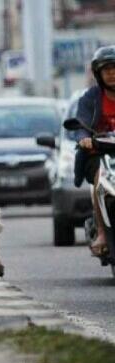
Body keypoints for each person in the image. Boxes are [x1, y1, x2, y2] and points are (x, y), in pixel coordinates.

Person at [74, 46, 115, 255]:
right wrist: (84, 139)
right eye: (106, 69)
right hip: (99, 155)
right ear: (98, 74)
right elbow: (81, 124)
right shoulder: (90, 97)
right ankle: (101, 231)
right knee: (101, 178)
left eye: (114, 68)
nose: (111, 73)